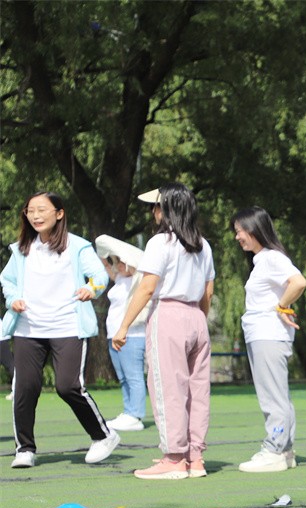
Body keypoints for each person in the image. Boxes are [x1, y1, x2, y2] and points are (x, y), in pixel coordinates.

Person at [2, 191, 118, 468]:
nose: (36, 216)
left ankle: (103, 435)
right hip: (29, 329)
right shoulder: (21, 249)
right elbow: (8, 281)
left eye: (42, 210)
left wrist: (91, 289)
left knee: (68, 386)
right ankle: (25, 449)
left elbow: (99, 276)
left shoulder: (77, 246)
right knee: (24, 388)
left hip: (67, 326)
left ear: (59, 213)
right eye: (30, 211)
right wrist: (12, 299)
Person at [113, 183, 215, 480]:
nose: (153, 212)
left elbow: (147, 287)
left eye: (155, 207)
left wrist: (124, 325)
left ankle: (173, 458)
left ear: (166, 209)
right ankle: (195, 457)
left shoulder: (160, 242)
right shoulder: (203, 245)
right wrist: (199, 320)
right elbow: (208, 291)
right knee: (197, 390)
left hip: (169, 314)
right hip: (197, 316)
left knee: (168, 388)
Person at [232, 207, 306, 473]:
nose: (237, 237)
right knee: (277, 395)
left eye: (240, 231)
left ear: (254, 229)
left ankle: (275, 448)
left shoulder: (272, 258)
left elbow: (298, 282)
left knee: (272, 397)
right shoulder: (262, 260)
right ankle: (284, 449)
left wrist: (282, 305)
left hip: (268, 334)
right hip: (264, 335)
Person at [96, 235, 149, 432]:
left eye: (121, 262)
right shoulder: (119, 279)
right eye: (116, 262)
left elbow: (135, 258)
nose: (117, 265)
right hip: (114, 334)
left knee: (133, 376)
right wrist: (103, 253)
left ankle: (136, 415)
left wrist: (118, 250)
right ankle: (128, 412)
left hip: (132, 335)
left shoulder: (138, 278)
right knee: (123, 377)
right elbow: (105, 264)